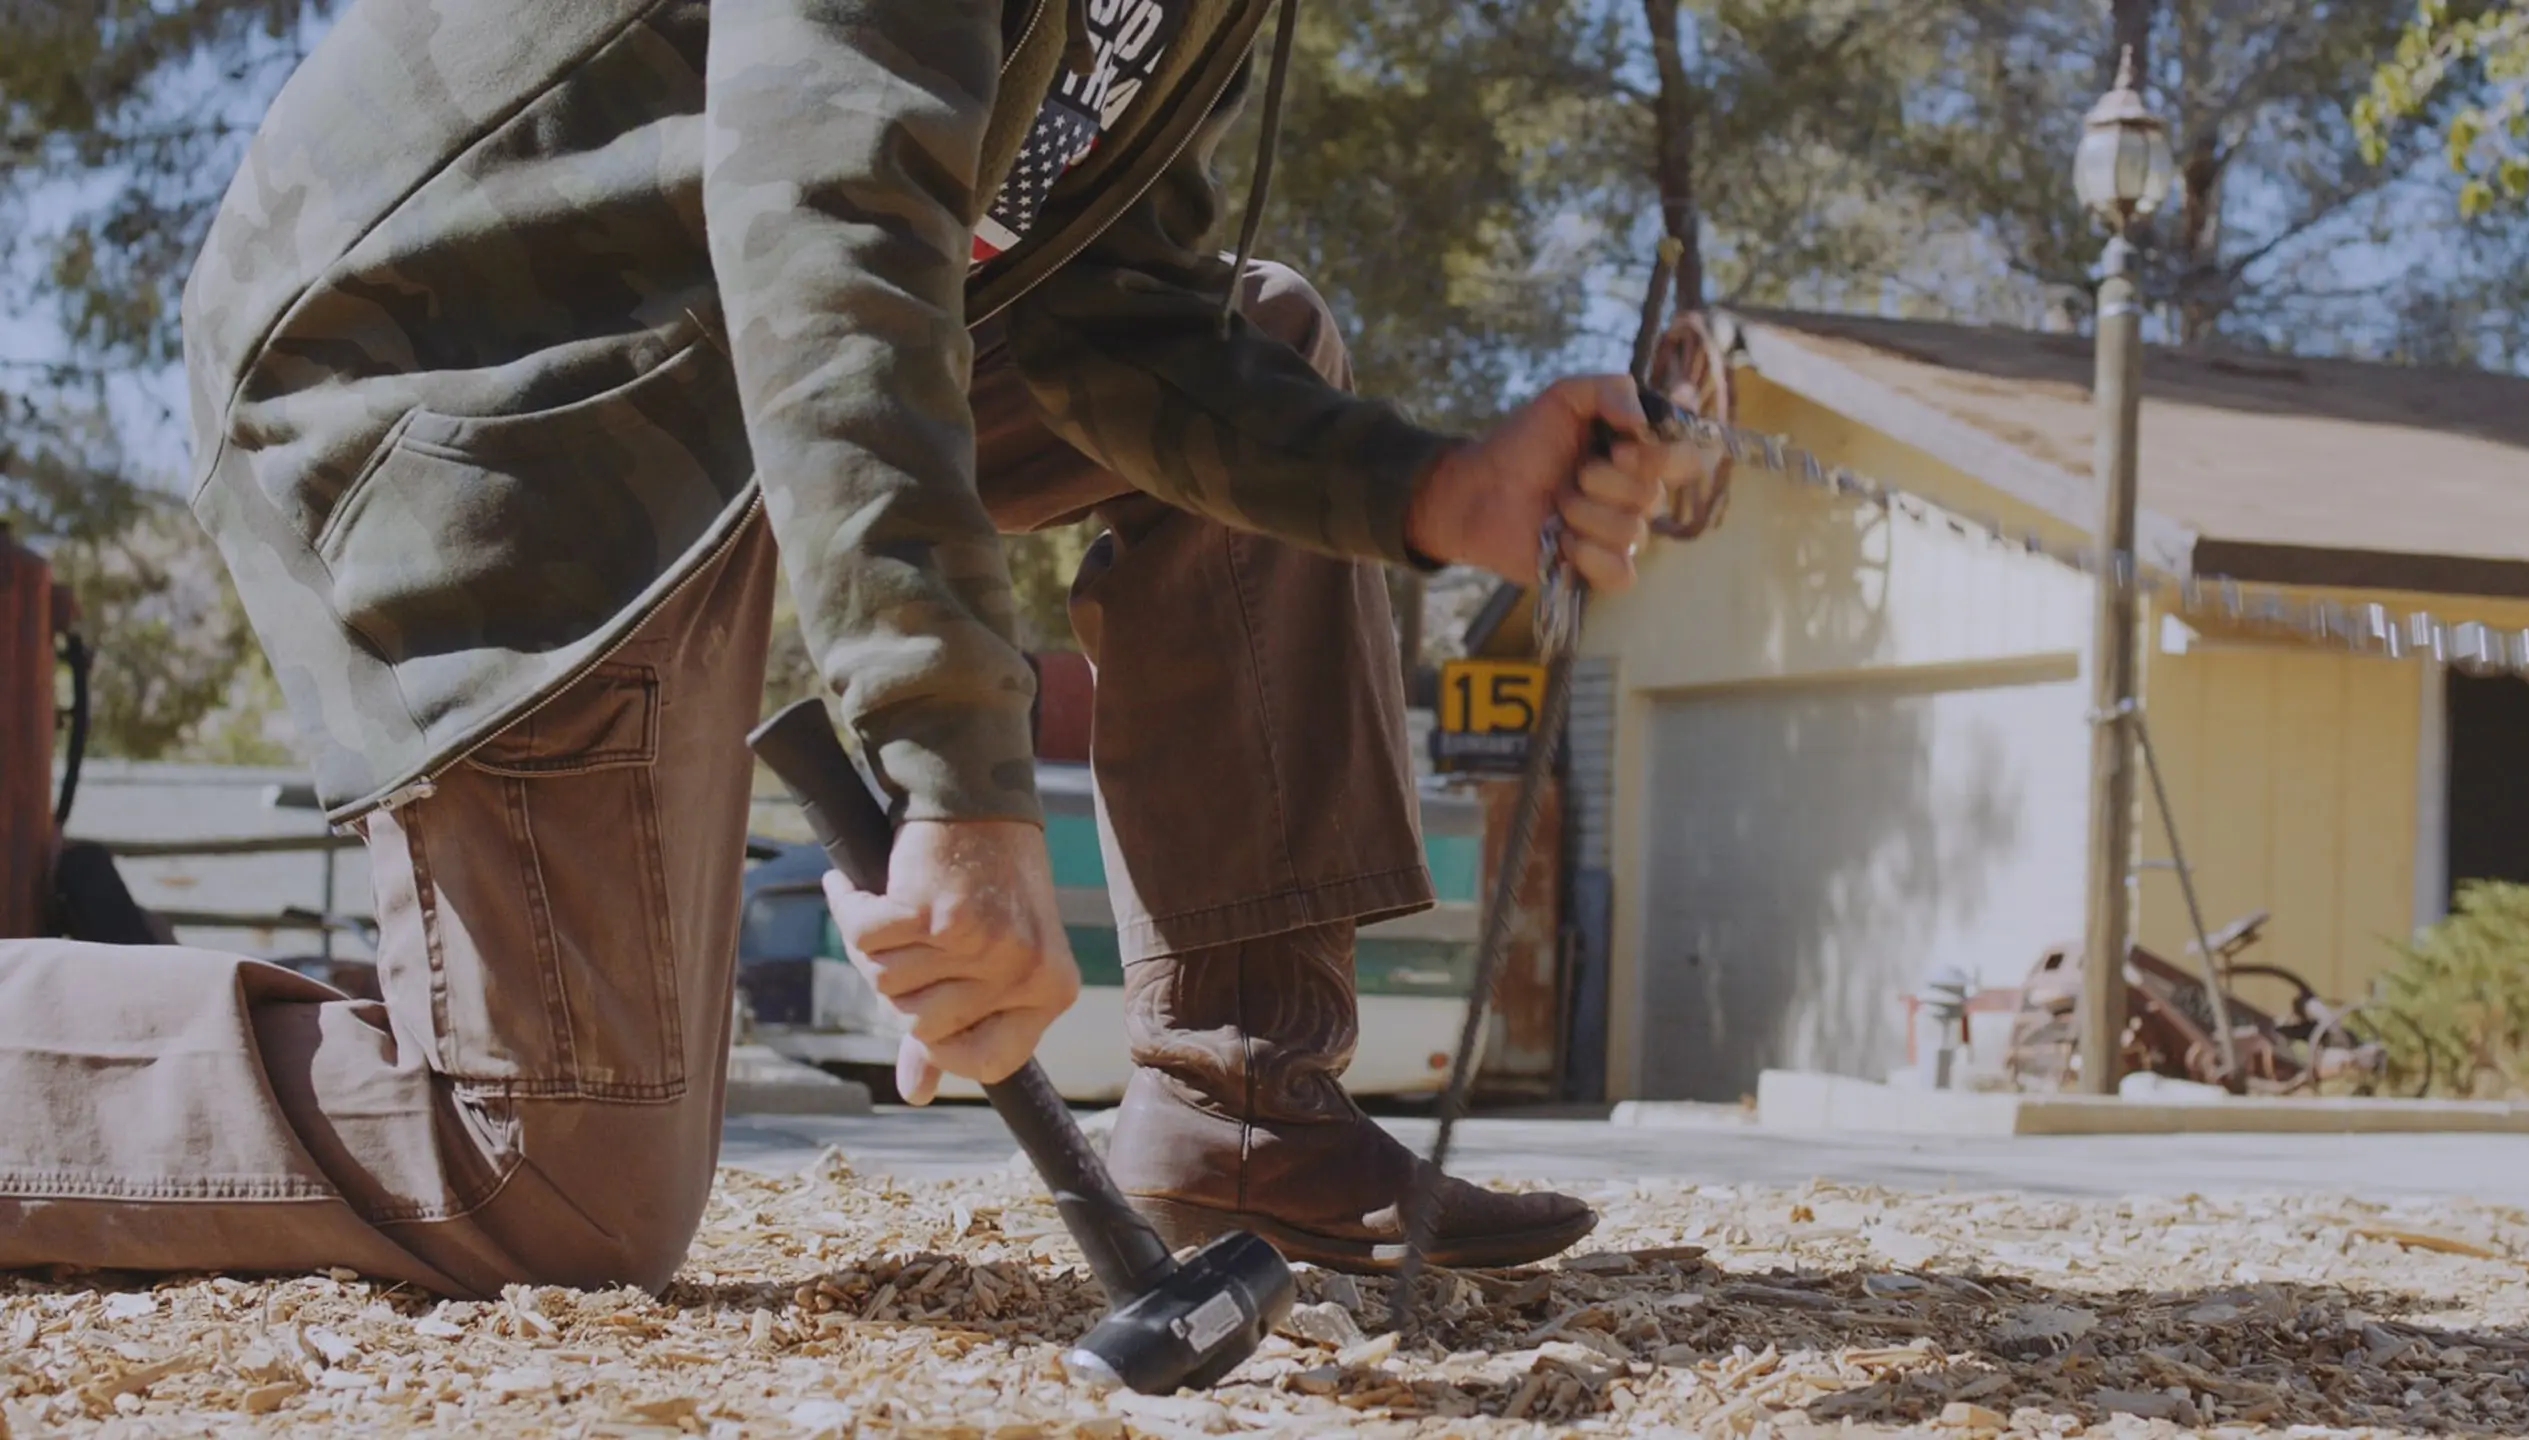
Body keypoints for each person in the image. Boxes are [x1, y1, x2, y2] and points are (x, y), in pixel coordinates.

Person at [0, 0, 1698, 1297]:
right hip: (473, 370)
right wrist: (957, 777)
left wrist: (1431, 491)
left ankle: (1242, 1104)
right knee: (555, 1175)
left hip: (738, 338)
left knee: (1267, 340)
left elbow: (1114, 309)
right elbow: (830, 233)